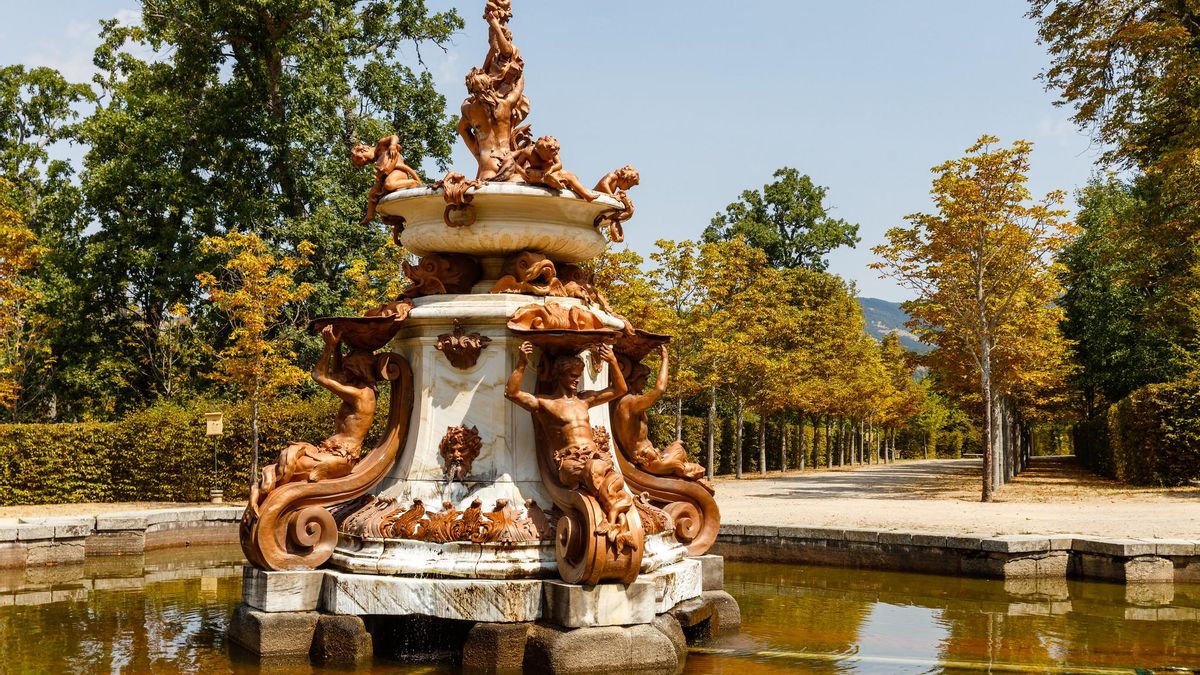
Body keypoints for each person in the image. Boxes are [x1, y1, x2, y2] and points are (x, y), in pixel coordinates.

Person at [505, 342, 635, 547]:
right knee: (596, 473)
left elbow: (620, 389)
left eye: (579, 375)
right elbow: (512, 393)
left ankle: (614, 521)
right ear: (559, 375)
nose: (577, 380)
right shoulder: (546, 403)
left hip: (595, 458)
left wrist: (612, 362)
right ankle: (617, 517)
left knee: (609, 477)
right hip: (570, 463)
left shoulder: (585, 400)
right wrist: (522, 364)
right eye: (572, 375)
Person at [612, 345, 713, 491]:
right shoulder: (631, 403)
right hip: (649, 462)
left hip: (650, 457)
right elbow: (659, 389)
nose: (646, 382)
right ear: (634, 380)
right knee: (690, 463)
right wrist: (665, 359)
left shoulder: (626, 401)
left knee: (677, 447)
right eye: (644, 379)